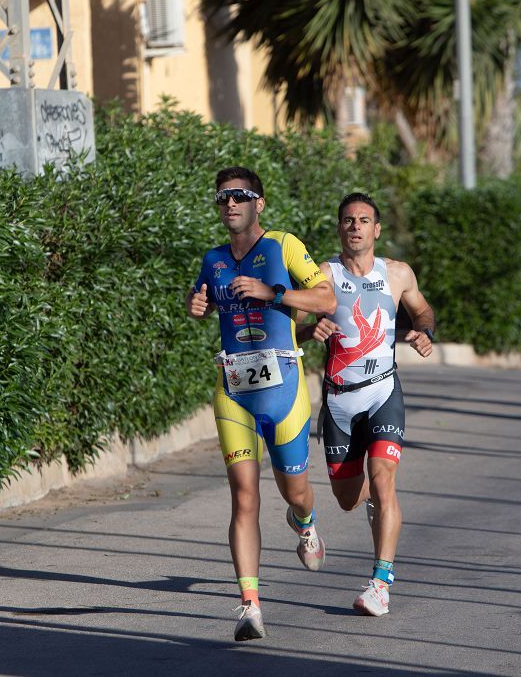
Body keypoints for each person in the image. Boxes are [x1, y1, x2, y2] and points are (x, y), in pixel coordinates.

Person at [186, 166, 336, 642]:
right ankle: (249, 604)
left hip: (284, 389)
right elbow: (202, 297)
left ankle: (305, 522)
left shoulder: (283, 245)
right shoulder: (213, 258)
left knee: (295, 491)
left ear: (259, 203)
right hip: (233, 390)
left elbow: (327, 299)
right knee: (244, 495)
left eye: (240, 196)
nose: (230, 204)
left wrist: (275, 292)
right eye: (222, 198)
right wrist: (197, 305)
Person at [295, 192, 434, 617]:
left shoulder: (397, 273)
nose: (355, 226)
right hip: (338, 401)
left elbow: (422, 310)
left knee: (385, 479)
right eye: (348, 220)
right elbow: (294, 329)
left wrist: (425, 331)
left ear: (376, 229)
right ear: (339, 228)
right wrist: (309, 331)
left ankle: (380, 583)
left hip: (382, 392)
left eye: (364, 220)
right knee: (348, 499)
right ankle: (305, 517)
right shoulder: (322, 275)